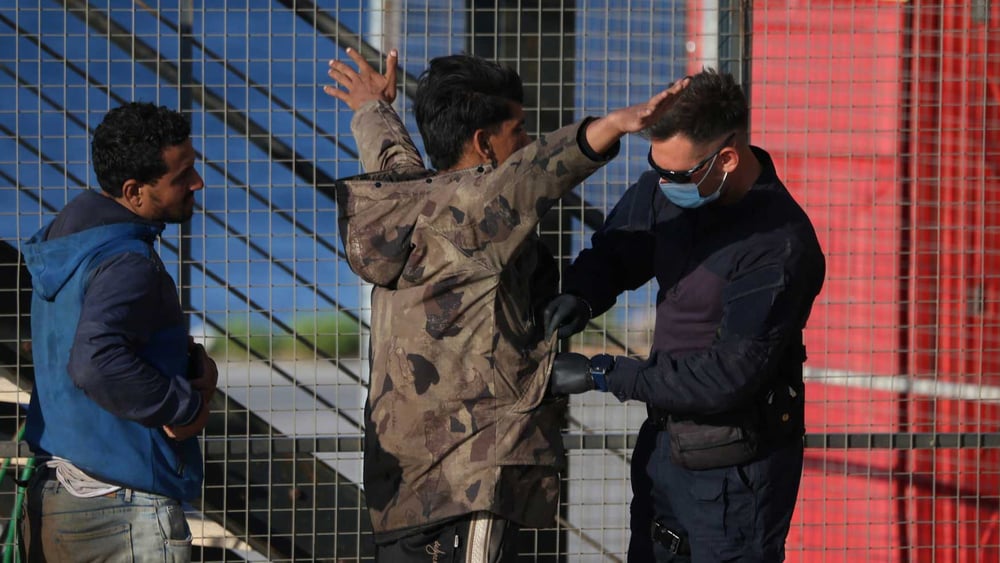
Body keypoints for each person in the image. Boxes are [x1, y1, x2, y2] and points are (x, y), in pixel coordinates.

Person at [324, 48, 688, 561]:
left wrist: (372, 109)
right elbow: (545, 169)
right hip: (469, 482)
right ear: (483, 144)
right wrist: (615, 124)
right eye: (517, 130)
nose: (528, 142)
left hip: (402, 490)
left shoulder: (406, 203)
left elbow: (392, 160)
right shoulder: (480, 208)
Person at [545, 68, 826, 562]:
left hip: (736, 473)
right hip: (665, 450)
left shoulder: (779, 246)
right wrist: (582, 296)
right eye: (656, 170)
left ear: (727, 158)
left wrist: (604, 373)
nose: (661, 185)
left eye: (674, 175)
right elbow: (620, 250)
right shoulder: (672, 183)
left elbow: (727, 376)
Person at [20, 101, 217, 562]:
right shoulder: (127, 262)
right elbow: (95, 361)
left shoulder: (67, 245)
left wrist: (181, 357)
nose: (198, 183)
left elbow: (87, 340)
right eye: (182, 175)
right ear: (133, 191)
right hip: (123, 507)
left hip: (58, 493)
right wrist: (184, 406)